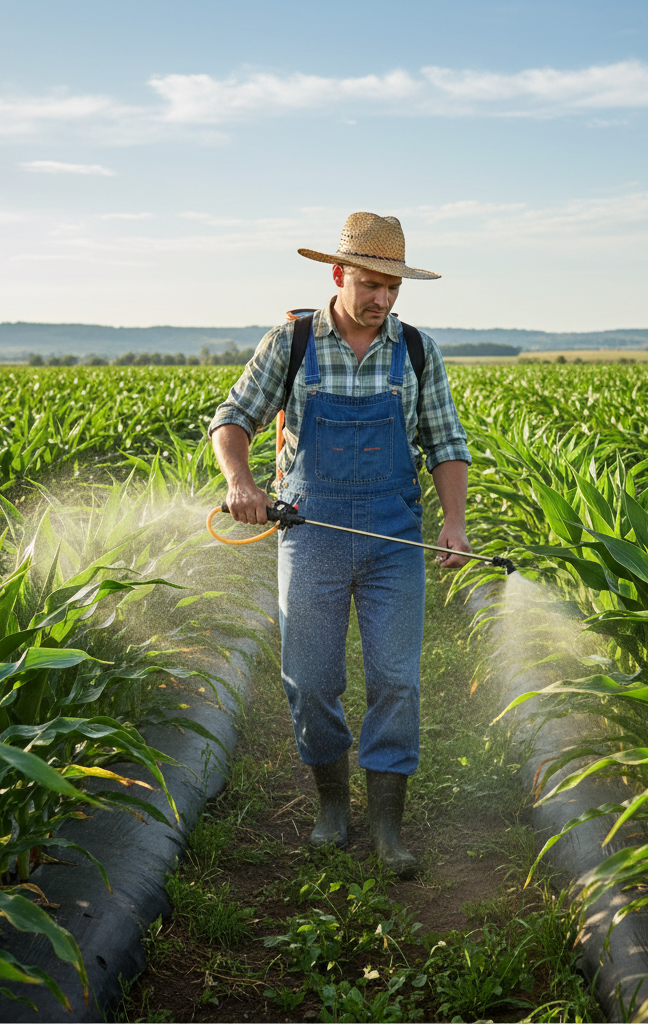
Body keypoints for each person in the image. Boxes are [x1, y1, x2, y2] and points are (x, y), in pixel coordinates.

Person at [208, 211, 471, 874]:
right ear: (338, 273)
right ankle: (331, 807)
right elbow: (233, 419)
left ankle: (387, 826)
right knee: (311, 678)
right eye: (371, 282)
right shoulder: (292, 341)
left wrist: (454, 522)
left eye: (393, 288)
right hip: (310, 532)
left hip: (392, 538)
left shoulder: (416, 351)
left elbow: (446, 443)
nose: (381, 299)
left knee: (395, 680)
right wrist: (240, 482)